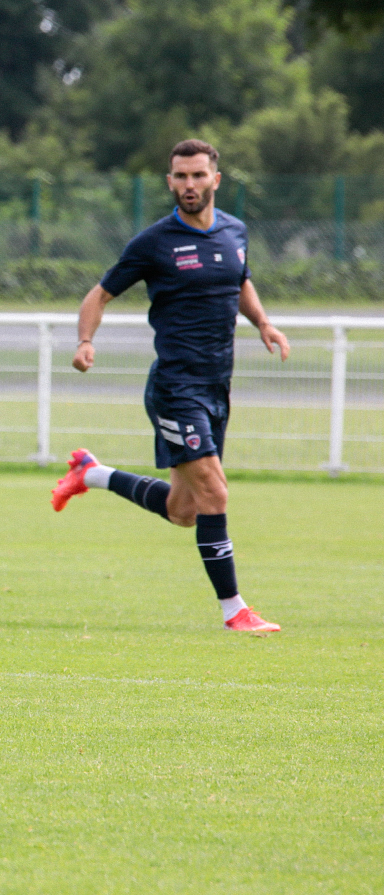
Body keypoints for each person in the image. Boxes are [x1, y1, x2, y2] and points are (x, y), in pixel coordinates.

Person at [51, 139, 289, 632]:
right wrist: (84, 341)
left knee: (185, 510)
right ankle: (235, 611)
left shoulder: (234, 233)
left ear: (215, 180)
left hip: (217, 387)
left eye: (198, 176)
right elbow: (98, 295)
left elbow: (239, 280)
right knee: (216, 497)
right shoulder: (154, 243)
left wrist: (263, 323)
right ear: (170, 182)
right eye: (180, 177)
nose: (189, 185)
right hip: (176, 388)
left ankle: (90, 473)